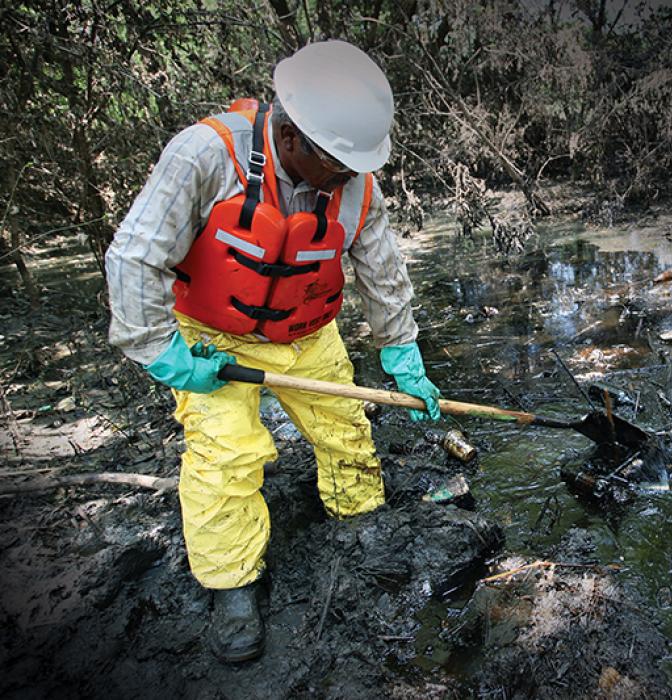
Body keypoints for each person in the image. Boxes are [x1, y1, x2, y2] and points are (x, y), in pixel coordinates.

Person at [105, 40, 440, 663]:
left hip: (308, 333)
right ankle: (232, 584)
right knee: (226, 456)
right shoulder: (205, 155)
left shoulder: (356, 187)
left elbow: (384, 276)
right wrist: (163, 351)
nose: (346, 179)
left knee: (346, 431)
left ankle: (358, 521)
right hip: (213, 337)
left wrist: (403, 356)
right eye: (337, 165)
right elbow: (134, 257)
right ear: (290, 138)